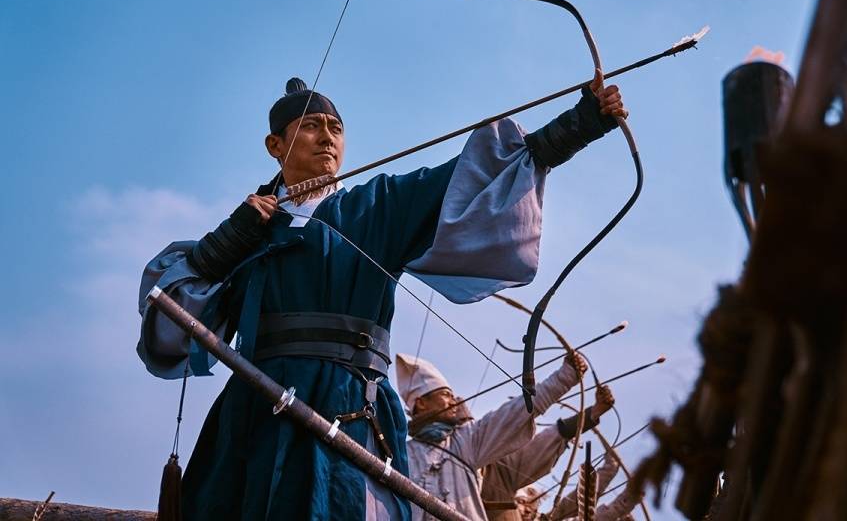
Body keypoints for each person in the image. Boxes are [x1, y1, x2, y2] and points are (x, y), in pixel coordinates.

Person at [137, 73, 628, 520]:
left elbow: (470, 176)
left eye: (335, 128)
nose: (327, 137)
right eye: (310, 126)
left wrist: (580, 124)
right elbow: (171, 320)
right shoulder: (251, 228)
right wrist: (226, 242)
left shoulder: (377, 205)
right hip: (257, 408)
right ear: (275, 144)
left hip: (352, 408)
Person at [396, 352, 587, 521]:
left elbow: (516, 412)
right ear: (421, 403)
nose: (454, 401)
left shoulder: (465, 440)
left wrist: (566, 376)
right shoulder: (403, 454)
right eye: (446, 395)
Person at [481, 385, 616, 520]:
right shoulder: (496, 482)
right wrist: (592, 413)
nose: (527, 510)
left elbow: (575, 503)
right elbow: (534, 452)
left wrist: (611, 468)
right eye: (523, 502)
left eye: (532, 509)